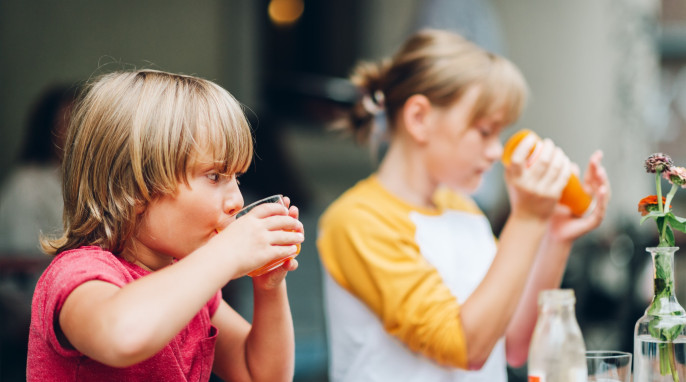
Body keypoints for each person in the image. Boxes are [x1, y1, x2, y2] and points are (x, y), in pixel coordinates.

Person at [316, 29, 610, 381]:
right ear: (419, 118)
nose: (495, 151)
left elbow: (513, 345)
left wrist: (554, 236)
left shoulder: (464, 210)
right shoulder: (357, 221)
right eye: (485, 131)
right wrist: (528, 220)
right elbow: (467, 348)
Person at [26, 69, 304, 382]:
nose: (237, 200)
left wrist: (269, 286)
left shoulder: (190, 281)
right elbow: (124, 336)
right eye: (214, 176)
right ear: (133, 187)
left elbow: (261, 376)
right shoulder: (77, 275)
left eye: (236, 178)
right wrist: (227, 252)